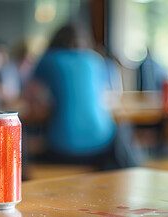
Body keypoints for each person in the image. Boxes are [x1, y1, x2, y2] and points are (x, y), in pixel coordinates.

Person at [24, 25, 137, 170]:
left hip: (63, 148)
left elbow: (30, 96)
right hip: (103, 144)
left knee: (30, 152)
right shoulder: (95, 59)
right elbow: (107, 94)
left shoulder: (48, 58)